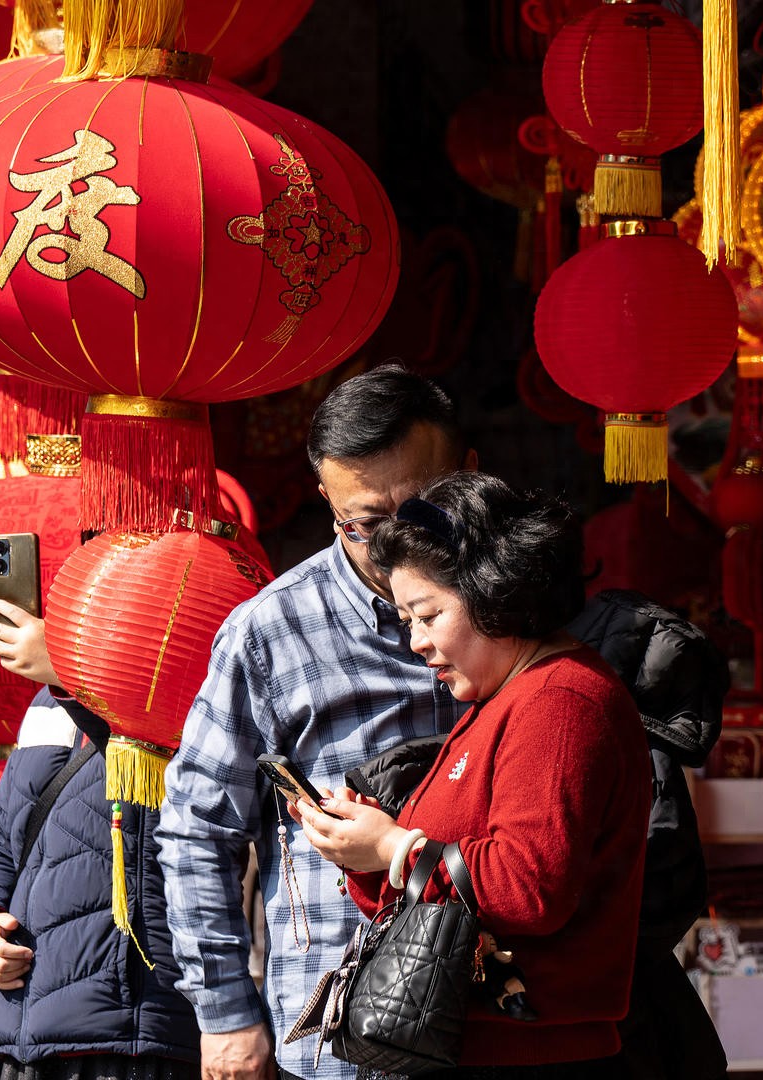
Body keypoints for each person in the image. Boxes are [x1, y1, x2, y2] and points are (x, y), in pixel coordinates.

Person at [156, 366, 474, 1080]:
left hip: (504, 1023)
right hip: (341, 1036)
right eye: (365, 526)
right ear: (327, 500)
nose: (396, 547)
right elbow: (195, 831)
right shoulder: (270, 633)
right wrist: (227, 1019)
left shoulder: (519, 617)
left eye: (423, 513)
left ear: (469, 477)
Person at [292, 472, 652, 1076]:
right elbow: (440, 884)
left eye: (428, 615)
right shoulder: (510, 695)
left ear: (493, 593)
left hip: (532, 1053)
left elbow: (529, 885)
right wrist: (367, 848)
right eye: (407, 619)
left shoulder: (559, 700)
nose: (417, 642)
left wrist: (390, 845)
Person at [0, 601, 201, 1080]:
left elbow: (157, 787)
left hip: (126, 1033)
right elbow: (0, 841)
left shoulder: (178, 683)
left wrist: (70, 674)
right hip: (23, 1029)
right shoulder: (43, 703)